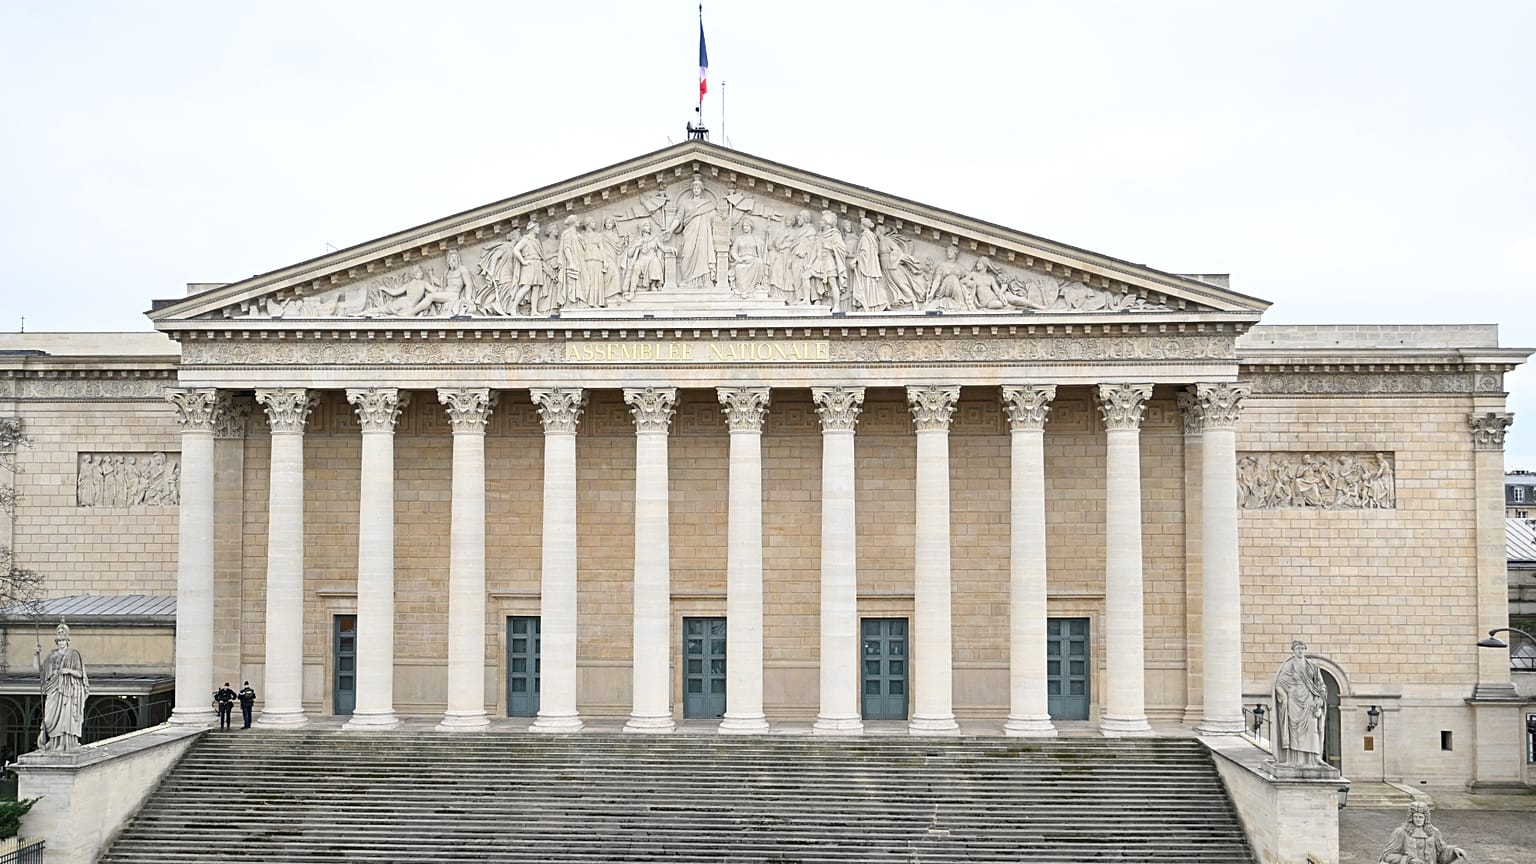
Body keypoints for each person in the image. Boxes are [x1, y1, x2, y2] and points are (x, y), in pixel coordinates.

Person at [36, 623, 90, 752]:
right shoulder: (52, 655)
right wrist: (36, 655)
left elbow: (80, 674)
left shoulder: (74, 654)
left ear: (67, 640)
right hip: (54, 687)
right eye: (59, 640)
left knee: (67, 717)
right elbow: (40, 670)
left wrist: (68, 671)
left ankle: (66, 743)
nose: (61, 643)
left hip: (69, 690)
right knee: (49, 718)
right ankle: (53, 742)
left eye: (63, 640)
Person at [1273, 639, 1327, 767]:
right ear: (1293, 651)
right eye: (1298, 648)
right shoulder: (1289, 665)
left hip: (1309, 700)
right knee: (1296, 730)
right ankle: (1297, 759)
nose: (1300, 651)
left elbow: (1321, 685)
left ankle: (1314, 757)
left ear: (1305, 650)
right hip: (1294, 701)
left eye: (1302, 648)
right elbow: (1279, 684)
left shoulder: (1312, 666)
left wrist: (1319, 699)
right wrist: (1284, 697)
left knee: (1312, 729)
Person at [669, 175, 718, 289]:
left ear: (702, 190)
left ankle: (705, 280)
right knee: (686, 255)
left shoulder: (707, 204)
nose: (696, 190)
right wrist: (670, 230)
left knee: (703, 255)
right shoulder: (685, 203)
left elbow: (715, 218)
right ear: (692, 189)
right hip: (689, 233)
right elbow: (678, 218)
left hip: (703, 235)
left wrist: (723, 219)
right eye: (694, 188)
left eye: (698, 188)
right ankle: (686, 280)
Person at [1379, 803, 1468, 864]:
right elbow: (1387, 855)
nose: (1418, 819)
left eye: (1421, 817)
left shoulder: (1433, 832)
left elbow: (1440, 855)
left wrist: (1453, 851)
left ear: (1426, 818)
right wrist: (1408, 860)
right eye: (1415, 816)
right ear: (1411, 817)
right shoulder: (1401, 832)